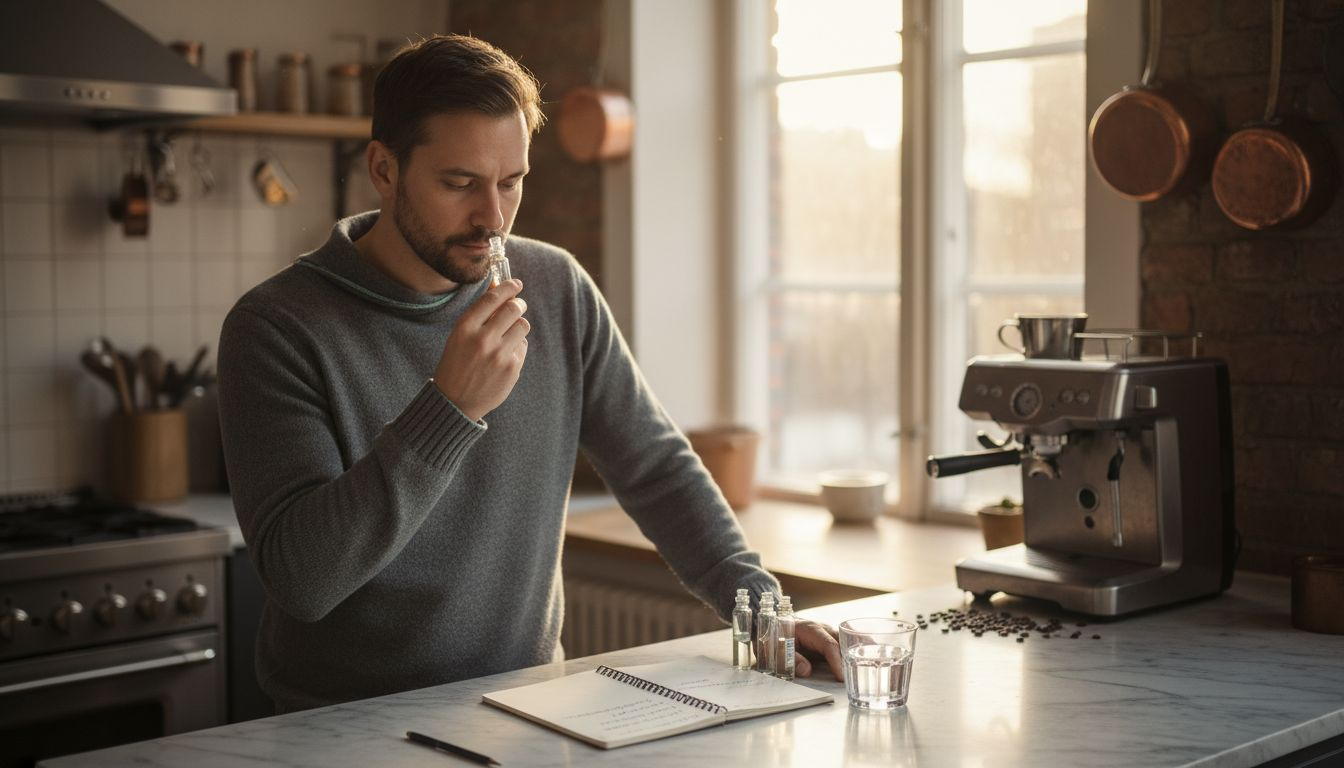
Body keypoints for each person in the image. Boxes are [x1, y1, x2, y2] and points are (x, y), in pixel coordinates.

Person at [217, 33, 842, 714]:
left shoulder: (555, 287)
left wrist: (762, 609)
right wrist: (449, 410)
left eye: (510, 183)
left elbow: (656, 467)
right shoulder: (275, 327)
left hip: (525, 711)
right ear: (385, 169)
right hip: (340, 728)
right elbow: (303, 582)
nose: (493, 218)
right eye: (459, 184)